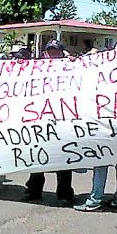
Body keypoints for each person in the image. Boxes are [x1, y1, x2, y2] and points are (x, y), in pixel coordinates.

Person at [22, 40, 75, 207]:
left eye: (55, 51)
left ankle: (65, 194)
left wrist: (74, 62)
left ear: (61, 52)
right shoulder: (38, 67)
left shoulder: (70, 68)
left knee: (63, 158)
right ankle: (34, 190)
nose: (52, 54)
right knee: (38, 155)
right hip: (40, 119)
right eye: (49, 51)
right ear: (45, 53)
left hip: (62, 119)